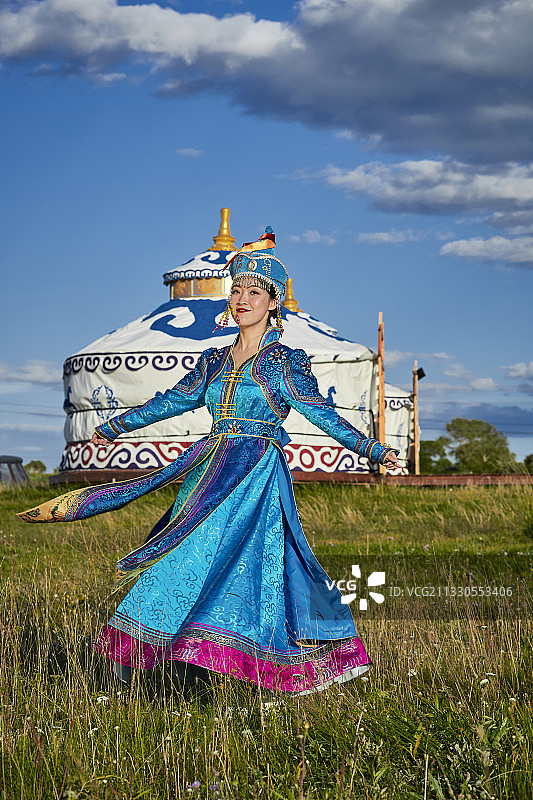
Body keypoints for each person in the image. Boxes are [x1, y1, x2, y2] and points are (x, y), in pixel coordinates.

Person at [18, 227, 399, 695]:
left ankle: (251, 663)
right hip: (208, 468)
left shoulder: (287, 362)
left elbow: (321, 414)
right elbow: (172, 401)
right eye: (236, 290)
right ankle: (147, 652)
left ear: (273, 303)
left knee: (246, 567)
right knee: (178, 556)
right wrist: (117, 425)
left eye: (254, 293)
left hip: (255, 475)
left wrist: (373, 450)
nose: (242, 300)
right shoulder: (213, 359)